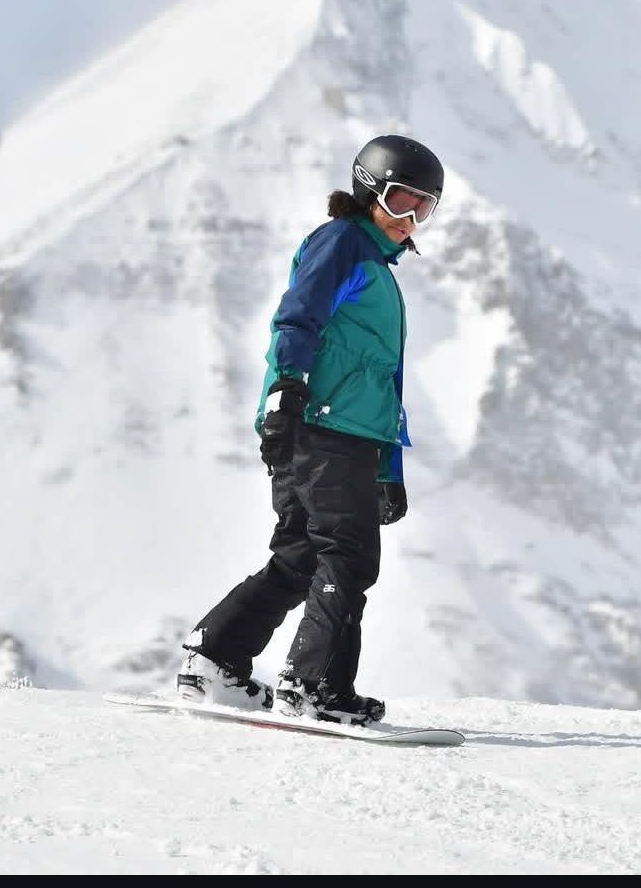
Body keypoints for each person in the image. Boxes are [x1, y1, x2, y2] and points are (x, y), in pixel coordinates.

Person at [176, 134, 445, 726]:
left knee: (301, 553)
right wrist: (285, 393)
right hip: (322, 425)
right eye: (402, 200)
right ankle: (315, 688)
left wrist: (386, 471)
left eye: (424, 208)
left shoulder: (373, 264)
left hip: (340, 431)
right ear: (369, 188)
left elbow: (382, 382)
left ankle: (216, 658)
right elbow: (299, 316)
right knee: (347, 557)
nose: (411, 218)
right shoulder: (344, 243)